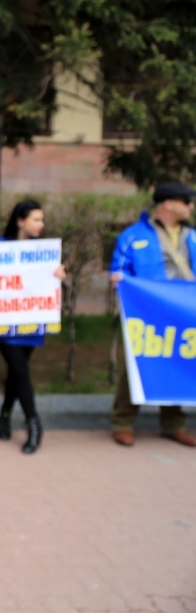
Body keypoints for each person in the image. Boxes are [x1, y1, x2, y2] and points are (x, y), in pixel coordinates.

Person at [109, 182, 196, 448]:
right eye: (187, 201)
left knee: (178, 364)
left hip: (184, 314)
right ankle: (122, 422)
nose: (191, 206)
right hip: (145, 315)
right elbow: (120, 269)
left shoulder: (192, 237)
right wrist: (118, 279)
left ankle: (174, 424)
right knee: (135, 366)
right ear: (168, 204)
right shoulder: (133, 236)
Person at [0, 200, 66, 454]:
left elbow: (49, 288)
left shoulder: (45, 252)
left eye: (42, 220)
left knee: (17, 373)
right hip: (4, 325)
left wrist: (59, 278)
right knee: (21, 370)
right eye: (36, 219)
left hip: (31, 324)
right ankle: (34, 424)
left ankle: (4, 415)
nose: (40, 225)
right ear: (20, 221)